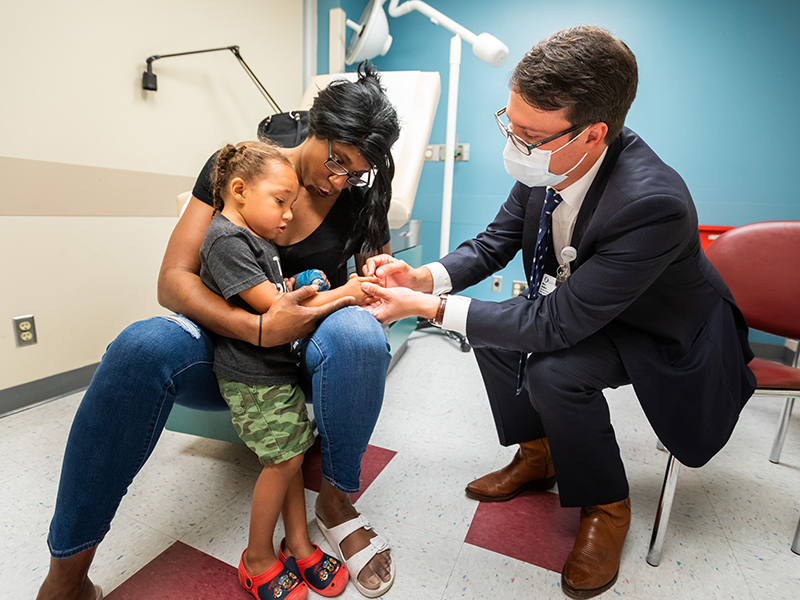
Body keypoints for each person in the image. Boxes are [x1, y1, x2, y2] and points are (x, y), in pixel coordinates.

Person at [360, 26, 756, 599]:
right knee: (497, 334)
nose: (515, 142)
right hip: (584, 307)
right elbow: (495, 241)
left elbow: (554, 326)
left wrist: (424, 306)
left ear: (593, 134)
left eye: (529, 134)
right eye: (510, 123)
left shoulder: (653, 203)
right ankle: (539, 455)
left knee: (553, 369)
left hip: (660, 329)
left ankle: (606, 506)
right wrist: (423, 276)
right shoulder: (548, 160)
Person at [37, 63, 400, 600]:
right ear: (315, 127)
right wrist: (256, 328)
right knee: (141, 345)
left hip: (305, 350)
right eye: (336, 161)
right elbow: (174, 281)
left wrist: (370, 283)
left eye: (356, 172)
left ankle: (336, 500)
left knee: (360, 334)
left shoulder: (357, 199)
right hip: (233, 349)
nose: (339, 180)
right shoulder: (241, 168)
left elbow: (371, 284)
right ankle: (68, 573)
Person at [200, 141, 382, 599]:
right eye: (280, 202)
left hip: (273, 371)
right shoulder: (223, 239)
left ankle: (298, 543)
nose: (287, 215)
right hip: (250, 377)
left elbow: (275, 288)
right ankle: (257, 557)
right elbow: (275, 309)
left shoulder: (255, 240)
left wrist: (300, 282)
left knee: (293, 457)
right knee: (280, 463)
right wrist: (346, 293)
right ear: (239, 190)